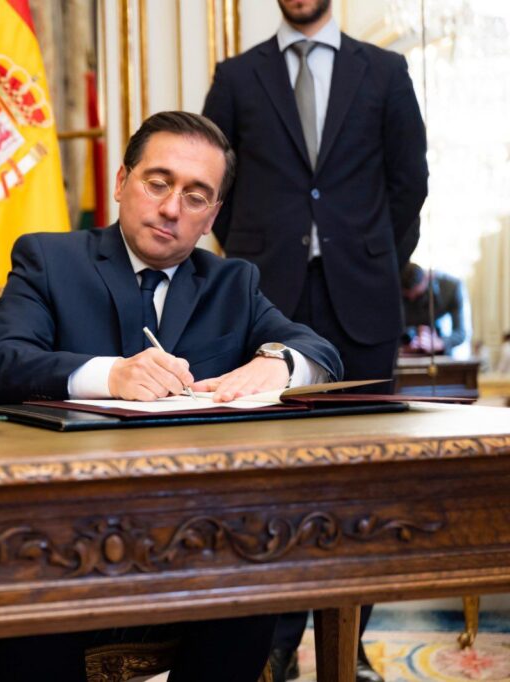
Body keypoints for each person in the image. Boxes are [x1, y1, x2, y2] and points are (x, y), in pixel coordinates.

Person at [0, 111, 341, 681]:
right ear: (122, 182)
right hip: (62, 528)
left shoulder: (232, 284)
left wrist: (278, 362)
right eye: (158, 183)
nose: (171, 208)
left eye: (195, 197)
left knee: (255, 572)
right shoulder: (50, 260)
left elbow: (320, 352)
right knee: (35, 577)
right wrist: (109, 375)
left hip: (195, 533)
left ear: (211, 216)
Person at [202, 1, 428, 678]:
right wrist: (254, 260)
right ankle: (273, 640)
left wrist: (373, 258)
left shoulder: (384, 72)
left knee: (361, 480)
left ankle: (348, 636)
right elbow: (214, 187)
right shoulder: (237, 76)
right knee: (267, 480)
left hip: (362, 302)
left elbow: (409, 184)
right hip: (266, 303)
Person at [401, 263, 469, 356]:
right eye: (407, 297)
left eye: (417, 295)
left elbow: (460, 333)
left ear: (426, 279)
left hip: (439, 351)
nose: (411, 298)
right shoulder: (392, 289)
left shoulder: (451, 287)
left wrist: (439, 343)